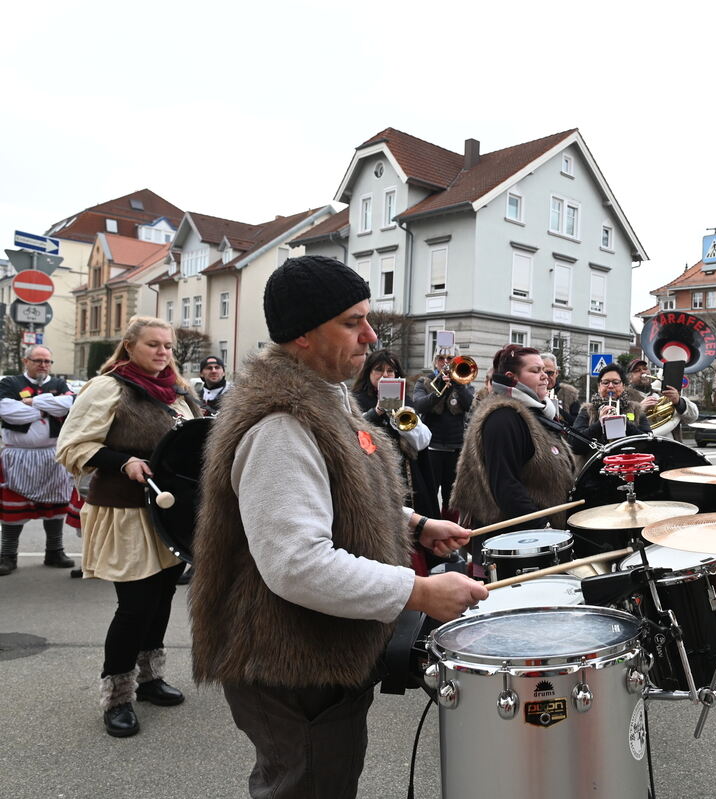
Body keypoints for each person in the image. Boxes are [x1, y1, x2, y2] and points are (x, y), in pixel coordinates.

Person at [189, 255, 484, 797]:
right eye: (352, 322)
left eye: (367, 319)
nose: (370, 336)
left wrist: (414, 524)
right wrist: (419, 591)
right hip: (290, 661)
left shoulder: (322, 399)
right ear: (302, 333)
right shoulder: (281, 423)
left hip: (317, 651)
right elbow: (297, 564)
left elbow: (331, 499)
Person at [55, 318, 199, 737]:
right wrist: (124, 461)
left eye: (168, 346)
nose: (162, 352)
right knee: (136, 605)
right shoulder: (109, 387)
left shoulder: (178, 389)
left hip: (172, 513)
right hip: (127, 511)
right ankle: (117, 697)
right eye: (153, 345)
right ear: (130, 347)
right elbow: (73, 445)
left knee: (162, 598)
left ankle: (149, 678)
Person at [451, 344, 576, 552]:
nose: (544, 376)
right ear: (512, 377)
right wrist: (542, 529)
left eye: (544, 370)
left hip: (534, 539)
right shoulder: (504, 417)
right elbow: (506, 486)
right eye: (535, 371)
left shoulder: (534, 411)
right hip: (517, 544)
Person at [0, 345, 81, 575]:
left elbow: (70, 405)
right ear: (26, 361)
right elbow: (7, 411)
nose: (43, 365)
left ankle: (54, 551)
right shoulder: (9, 384)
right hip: (19, 456)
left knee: (55, 506)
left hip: (51, 456)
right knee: (13, 508)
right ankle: (7, 555)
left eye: (47, 361)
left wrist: (31, 403)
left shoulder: (59, 385)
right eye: (38, 360)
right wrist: (47, 408)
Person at [351, 349, 441, 544]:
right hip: (373, 476)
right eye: (379, 370)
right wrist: (376, 413)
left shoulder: (405, 402)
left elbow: (423, 441)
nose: (385, 375)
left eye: (390, 371)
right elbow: (354, 436)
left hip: (406, 477)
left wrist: (398, 416)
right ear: (368, 373)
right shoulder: (356, 400)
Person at [411, 345, 475, 518]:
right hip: (431, 448)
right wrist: (439, 390)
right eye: (441, 358)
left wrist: (458, 386)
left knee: (452, 498)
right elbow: (419, 405)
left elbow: (471, 405)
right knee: (429, 494)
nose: (445, 363)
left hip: (455, 448)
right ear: (435, 361)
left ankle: (449, 534)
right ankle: (431, 532)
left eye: (450, 358)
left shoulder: (464, 381)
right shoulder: (425, 381)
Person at [570, 363, 651, 454]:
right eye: (605, 382)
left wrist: (625, 424)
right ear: (599, 387)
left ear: (623, 386)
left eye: (616, 382)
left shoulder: (636, 410)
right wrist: (599, 424)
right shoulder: (588, 410)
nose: (611, 386)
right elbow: (574, 445)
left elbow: (649, 443)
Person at [626, 358, 699, 442]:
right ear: (629, 379)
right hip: (643, 448)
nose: (643, 372)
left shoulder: (664, 394)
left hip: (672, 448)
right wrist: (639, 409)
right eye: (637, 370)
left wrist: (679, 402)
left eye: (645, 369)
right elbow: (624, 426)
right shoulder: (625, 399)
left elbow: (693, 417)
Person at [542, 353, 579, 426]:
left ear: (557, 373)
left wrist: (556, 408)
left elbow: (577, 424)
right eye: (542, 372)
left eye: (550, 373)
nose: (546, 376)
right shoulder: (532, 393)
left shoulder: (570, 394)